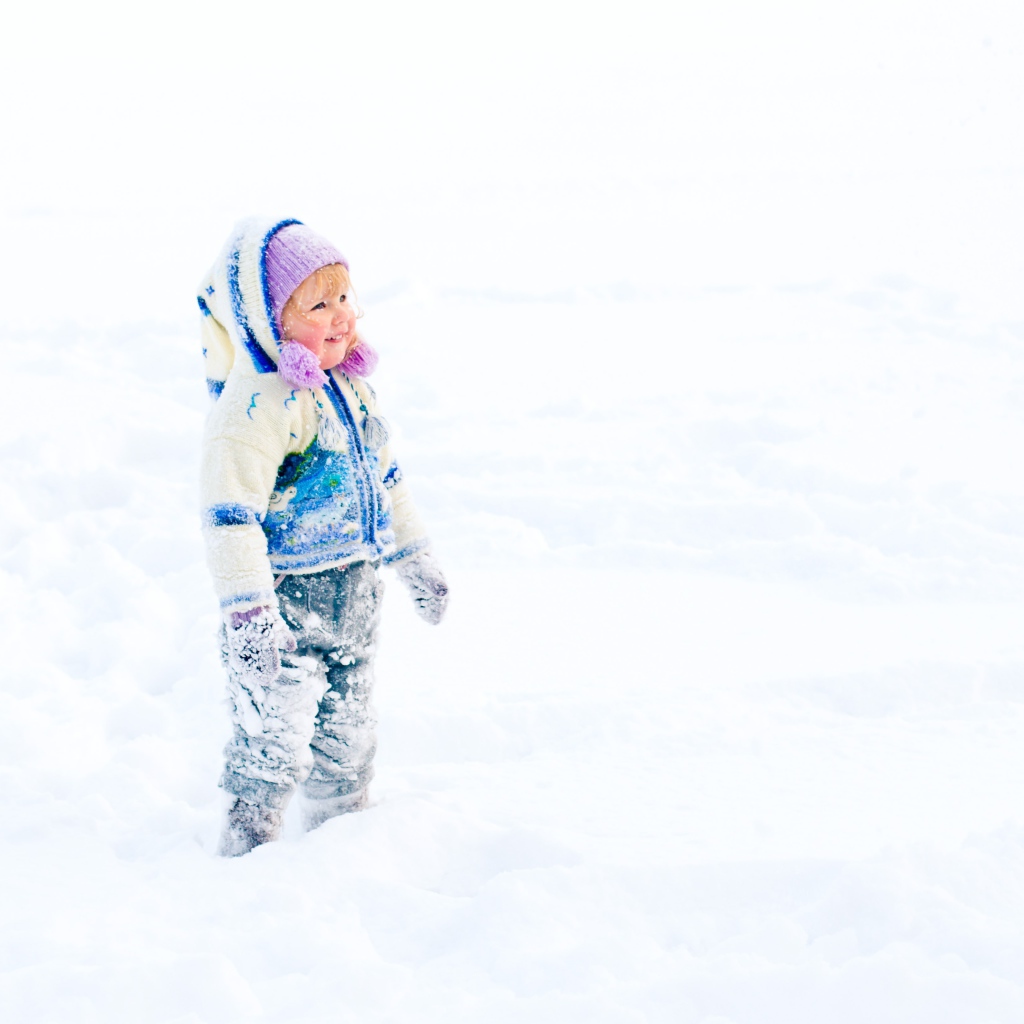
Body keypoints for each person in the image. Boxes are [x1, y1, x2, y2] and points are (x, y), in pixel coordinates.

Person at [197, 217, 449, 857]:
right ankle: (246, 849)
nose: (341, 315)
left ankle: (340, 845)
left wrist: (414, 556)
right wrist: (248, 612)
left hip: (355, 596)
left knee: (350, 736)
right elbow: (230, 516)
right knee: (272, 740)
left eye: (344, 297)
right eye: (317, 305)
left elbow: (386, 479)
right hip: (283, 605)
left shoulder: (352, 389)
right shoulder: (255, 405)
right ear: (269, 322)